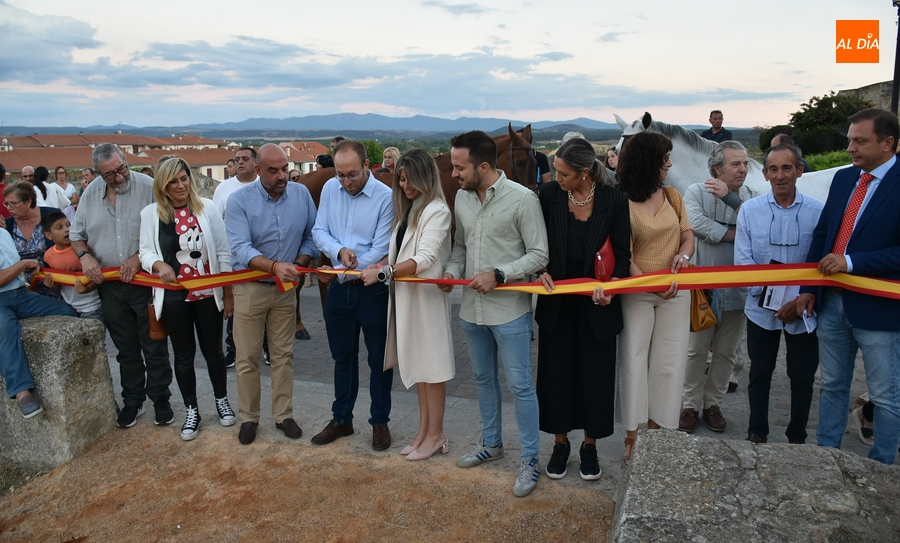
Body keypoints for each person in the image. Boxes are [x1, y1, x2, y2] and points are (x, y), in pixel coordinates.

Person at [439, 130, 549, 498]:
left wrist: (500, 274)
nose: (453, 173)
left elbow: (539, 255)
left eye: (459, 167)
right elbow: (460, 246)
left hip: (510, 311)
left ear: (483, 166)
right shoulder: (462, 198)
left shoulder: (522, 200)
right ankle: (492, 443)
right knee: (484, 380)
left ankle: (531, 459)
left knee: (520, 385)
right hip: (472, 311)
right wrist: (452, 273)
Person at [797, 108, 900, 465]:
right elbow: (823, 235)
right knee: (833, 385)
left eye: (860, 141)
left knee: (886, 395)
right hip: (831, 304)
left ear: (887, 143)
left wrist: (852, 263)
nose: (851, 149)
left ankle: (882, 466)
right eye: (849, 141)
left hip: (878, 308)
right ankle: (827, 458)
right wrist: (807, 288)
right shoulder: (843, 179)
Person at [534, 137, 631, 481]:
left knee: (596, 377)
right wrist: (538, 270)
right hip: (557, 303)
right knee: (556, 376)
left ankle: (590, 446)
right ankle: (560, 444)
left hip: (598, 305)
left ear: (584, 173)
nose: (555, 178)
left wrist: (613, 288)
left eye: (562, 173)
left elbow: (623, 254)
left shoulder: (615, 201)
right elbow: (535, 244)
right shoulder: (549, 196)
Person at [359, 148, 455, 461]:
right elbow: (397, 253)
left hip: (426, 302)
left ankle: (437, 433)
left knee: (433, 368)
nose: (404, 185)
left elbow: (425, 258)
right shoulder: (409, 211)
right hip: (405, 300)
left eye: (410, 179)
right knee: (419, 367)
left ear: (426, 177)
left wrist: (384, 273)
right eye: (401, 179)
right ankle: (425, 430)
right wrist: (381, 265)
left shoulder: (437, 211)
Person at [70, 143, 174, 429]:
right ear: (98, 174)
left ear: (127, 161)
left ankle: (160, 398)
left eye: (122, 169)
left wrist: (138, 259)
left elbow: (166, 234)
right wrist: (85, 256)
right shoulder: (91, 193)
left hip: (145, 284)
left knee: (154, 344)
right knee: (125, 348)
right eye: (110, 175)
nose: (119, 177)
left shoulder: (149, 187)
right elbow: (76, 235)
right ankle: (133, 400)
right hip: (110, 286)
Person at [225, 144, 317, 445]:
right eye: (273, 171)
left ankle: (283, 414)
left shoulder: (301, 194)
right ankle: (249, 418)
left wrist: (299, 264)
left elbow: (311, 235)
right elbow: (240, 247)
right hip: (251, 288)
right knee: (247, 357)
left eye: (284, 168)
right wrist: (275, 266)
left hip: (286, 289)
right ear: (258, 170)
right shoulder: (239, 201)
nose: (281, 176)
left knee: (283, 355)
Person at [139, 157, 237, 441]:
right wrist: (159, 265)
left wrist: (227, 295)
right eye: (173, 181)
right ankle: (191, 410)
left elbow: (223, 252)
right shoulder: (150, 214)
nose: (181, 185)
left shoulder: (206, 208)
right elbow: (145, 251)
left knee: (214, 352)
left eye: (184, 178)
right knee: (183, 356)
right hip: (172, 298)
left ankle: (221, 400)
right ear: (163, 185)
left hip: (208, 295)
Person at [310, 139, 395, 451]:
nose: (346, 183)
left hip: (372, 290)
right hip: (338, 288)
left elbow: (382, 246)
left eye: (353, 175)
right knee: (342, 358)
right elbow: (319, 231)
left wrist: (352, 266)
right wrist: (338, 251)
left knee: (378, 360)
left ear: (367, 165)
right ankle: (342, 419)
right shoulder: (331, 189)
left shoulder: (386, 197)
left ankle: (379, 421)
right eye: (341, 175)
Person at [736, 144, 823, 444]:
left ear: (800, 170)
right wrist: (773, 299)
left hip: (804, 309)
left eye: (787, 168)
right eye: (773, 169)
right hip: (760, 310)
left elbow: (819, 262)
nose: (780, 175)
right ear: (764, 174)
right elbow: (744, 263)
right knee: (759, 373)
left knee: (802, 377)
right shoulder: (749, 211)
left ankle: (797, 436)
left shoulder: (817, 212)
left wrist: (797, 302)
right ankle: (757, 431)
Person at [615, 131, 694, 465]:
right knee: (634, 361)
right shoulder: (621, 202)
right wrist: (650, 283)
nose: (670, 164)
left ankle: (659, 429)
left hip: (676, 292)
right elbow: (624, 256)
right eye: (665, 159)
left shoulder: (674, 196)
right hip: (637, 293)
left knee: (670, 362)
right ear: (649, 161)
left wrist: (684, 257)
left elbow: (688, 236)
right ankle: (632, 434)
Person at [680, 141, 758, 433]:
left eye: (745, 163)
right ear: (716, 168)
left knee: (726, 351)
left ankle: (713, 405)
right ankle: (688, 405)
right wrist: (737, 234)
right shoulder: (695, 192)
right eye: (735, 164)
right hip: (704, 288)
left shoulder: (750, 197)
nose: (743, 169)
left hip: (738, 288)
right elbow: (697, 224)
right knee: (696, 350)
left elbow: (759, 226)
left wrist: (732, 200)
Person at [0, 227, 78, 419]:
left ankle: (77, 380)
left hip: (21, 294)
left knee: (67, 312)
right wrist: (24, 263)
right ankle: (22, 393)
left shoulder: (3, 233)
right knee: (6, 329)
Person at [213, 147, 264, 367]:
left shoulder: (264, 185)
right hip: (234, 259)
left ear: (256, 164)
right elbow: (215, 221)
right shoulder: (224, 188)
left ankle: (268, 349)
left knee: (267, 305)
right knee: (234, 307)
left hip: (263, 258)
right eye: (237, 159)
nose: (240, 162)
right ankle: (233, 350)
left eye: (245, 159)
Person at [41, 211, 103, 321]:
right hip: (68, 307)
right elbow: (59, 284)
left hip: (92, 306)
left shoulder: (84, 249)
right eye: (59, 227)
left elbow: (100, 274)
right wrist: (52, 285)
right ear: (48, 235)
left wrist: (87, 289)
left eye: (68, 224)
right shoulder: (48, 256)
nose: (67, 229)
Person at [3, 182, 61, 299]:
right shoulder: (8, 225)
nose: (9, 208)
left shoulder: (53, 215)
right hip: (24, 290)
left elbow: (67, 243)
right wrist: (3, 235)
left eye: (13, 203)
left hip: (54, 282)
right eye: (6, 204)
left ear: (28, 201)